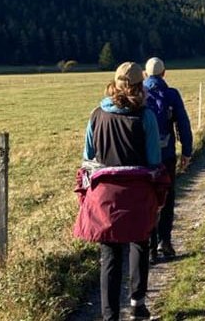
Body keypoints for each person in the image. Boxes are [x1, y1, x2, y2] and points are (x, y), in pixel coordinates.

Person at [78, 62, 164, 321]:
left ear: (114, 84)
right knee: (140, 242)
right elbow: (154, 159)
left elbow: (87, 157)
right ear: (140, 85)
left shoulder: (96, 114)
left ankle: (110, 315)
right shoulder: (145, 116)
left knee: (110, 255)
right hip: (137, 194)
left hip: (106, 198)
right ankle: (137, 302)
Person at [143, 57, 193, 263]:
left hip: (144, 158)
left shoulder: (139, 94)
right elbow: (183, 124)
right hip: (167, 156)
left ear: (145, 74)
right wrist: (187, 152)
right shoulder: (172, 95)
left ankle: (150, 247)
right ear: (165, 73)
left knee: (147, 199)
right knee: (168, 196)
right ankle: (165, 241)